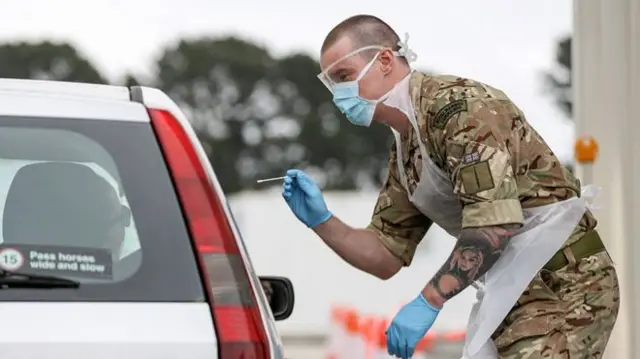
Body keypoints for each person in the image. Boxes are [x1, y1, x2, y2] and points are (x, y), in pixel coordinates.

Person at [281, 14, 619, 359]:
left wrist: (428, 301)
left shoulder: (459, 109)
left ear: (384, 60)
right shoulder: (406, 148)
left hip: (563, 283)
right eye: (332, 83)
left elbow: (495, 223)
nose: (338, 94)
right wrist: (322, 221)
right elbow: (385, 254)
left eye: (344, 77)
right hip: (512, 292)